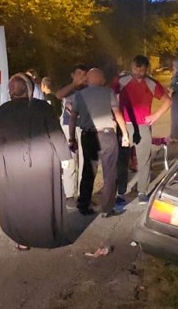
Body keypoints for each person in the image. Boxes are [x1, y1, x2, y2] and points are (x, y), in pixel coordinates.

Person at [0, 73, 72, 249]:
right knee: (42, 199)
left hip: (14, 161)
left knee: (18, 200)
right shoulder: (43, 107)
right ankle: (45, 236)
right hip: (43, 159)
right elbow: (55, 132)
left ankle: (22, 239)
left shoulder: (4, 110)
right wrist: (64, 156)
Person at [69, 66, 132, 218]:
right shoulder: (108, 92)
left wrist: (71, 138)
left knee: (88, 171)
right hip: (107, 135)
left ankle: (83, 205)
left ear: (88, 80)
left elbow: (73, 117)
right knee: (109, 173)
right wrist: (125, 134)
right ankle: (107, 208)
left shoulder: (79, 95)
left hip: (88, 135)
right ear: (102, 79)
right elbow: (117, 113)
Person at [115, 55, 171, 203]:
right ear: (131, 67)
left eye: (141, 70)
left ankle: (142, 191)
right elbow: (109, 95)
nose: (138, 73)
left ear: (146, 69)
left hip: (143, 125)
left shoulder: (151, 83)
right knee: (122, 159)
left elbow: (167, 101)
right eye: (135, 69)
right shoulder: (122, 81)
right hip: (124, 125)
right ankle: (120, 192)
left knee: (144, 160)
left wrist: (156, 116)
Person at [56, 64, 88, 201]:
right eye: (78, 73)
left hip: (84, 127)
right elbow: (59, 95)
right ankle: (69, 194)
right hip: (67, 126)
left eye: (84, 74)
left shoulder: (89, 89)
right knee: (70, 160)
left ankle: (83, 194)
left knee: (84, 161)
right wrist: (74, 84)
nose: (81, 76)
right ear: (72, 75)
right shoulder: (68, 88)